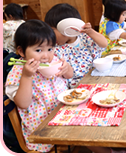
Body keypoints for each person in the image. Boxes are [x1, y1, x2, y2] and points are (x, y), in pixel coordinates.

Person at [5, 19, 74, 152]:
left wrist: (67, 68)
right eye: (38, 50)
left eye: (50, 49)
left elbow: (69, 75)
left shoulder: (54, 60)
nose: (46, 56)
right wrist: (27, 76)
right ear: (21, 52)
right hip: (41, 129)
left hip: (65, 115)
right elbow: (23, 103)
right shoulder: (18, 73)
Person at [44, 3, 108, 88]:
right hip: (76, 88)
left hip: (96, 79)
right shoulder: (55, 49)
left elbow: (104, 44)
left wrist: (91, 31)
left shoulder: (85, 38)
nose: (49, 35)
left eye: (52, 30)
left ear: (65, 28)